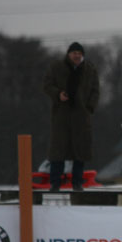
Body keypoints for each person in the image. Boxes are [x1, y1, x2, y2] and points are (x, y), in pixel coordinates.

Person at [42, 42, 100, 191]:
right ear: (68, 54)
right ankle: (55, 183)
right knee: (58, 152)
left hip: (81, 116)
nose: (77, 55)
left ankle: (77, 183)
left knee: (80, 152)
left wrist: (89, 108)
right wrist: (58, 94)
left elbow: (95, 90)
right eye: (74, 53)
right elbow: (47, 85)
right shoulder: (56, 67)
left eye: (79, 53)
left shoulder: (90, 69)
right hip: (61, 115)